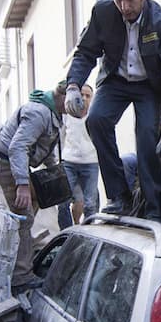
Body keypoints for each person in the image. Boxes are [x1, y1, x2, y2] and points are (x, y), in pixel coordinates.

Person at [64, 0, 161, 221]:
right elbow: (86, 52)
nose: (125, 6)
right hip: (115, 80)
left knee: (146, 138)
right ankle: (119, 195)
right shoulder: (103, 12)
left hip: (148, 87)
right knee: (96, 120)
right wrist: (73, 84)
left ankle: (153, 207)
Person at [0, 82, 66, 293]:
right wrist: (22, 185)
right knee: (24, 217)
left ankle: (15, 257)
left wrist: (56, 172)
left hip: (14, 164)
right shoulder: (39, 113)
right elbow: (17, 148)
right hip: (6, 164)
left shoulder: (53, 115)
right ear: (62, 97)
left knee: (33, 203)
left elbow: (45, 147)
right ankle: (21, 278)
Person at [58, 82, 99, 228]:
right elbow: (60, 136)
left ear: (92, 98)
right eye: (82, 94)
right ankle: (66, 235)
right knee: (63, 202)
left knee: (90, 204)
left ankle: (89, 235)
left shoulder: (96, 116)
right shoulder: (67, 115)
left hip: (91, 163)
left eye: (88, 96)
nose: (84, 98)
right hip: (69, 162)